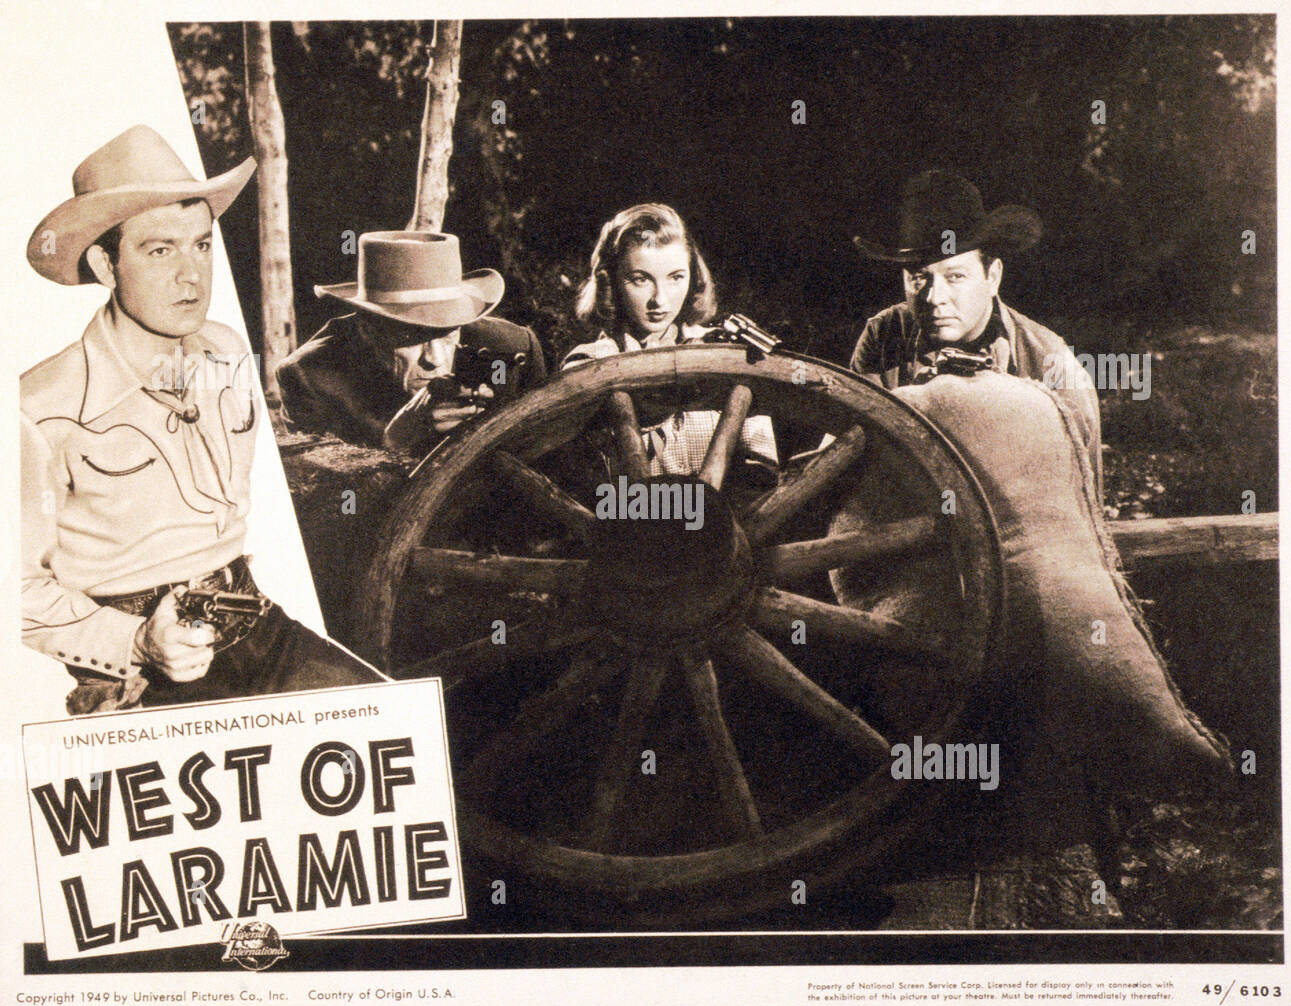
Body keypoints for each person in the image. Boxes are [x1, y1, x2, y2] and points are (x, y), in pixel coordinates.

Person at [21, 125, 384, 714]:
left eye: (202, 244)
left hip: (257, 629)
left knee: (408, 735)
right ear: (104, 264)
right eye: (160, 250)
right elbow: (17, 593)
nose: (192, 275)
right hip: (138, 677)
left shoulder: (225, 351)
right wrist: (136, 641)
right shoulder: (41, 409)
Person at [850, 170, 1101, 490]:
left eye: (955, 277)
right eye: (918, 277)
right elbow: (854, 459)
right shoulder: (884, 335)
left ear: (992, 276)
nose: (934, 298)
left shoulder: (1051, 362)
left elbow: (1083, 498)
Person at [276, 230, 549, 456]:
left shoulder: (514, 348)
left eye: (447, 334)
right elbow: (318, 502)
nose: (435, 359)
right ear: (366, 330)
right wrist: (394, 443)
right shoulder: (310, 376)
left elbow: (548, 460)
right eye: (413, 339)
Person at [563, 203, 777, 477]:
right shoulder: (589, 364)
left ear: (693, 277)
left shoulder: (728, 352)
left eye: (676, 277)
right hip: (631, 517)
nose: (659, 300)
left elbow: (761, 473)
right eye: (640, 280)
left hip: (718, 517)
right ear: (611, 282)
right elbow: (576, 476)